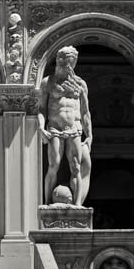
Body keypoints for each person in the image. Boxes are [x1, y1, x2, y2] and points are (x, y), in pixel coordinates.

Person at [38, 45, 93, 206]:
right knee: (53, 165)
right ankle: (47, 203)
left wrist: (89, 135)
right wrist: (41, 127)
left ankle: (77, 206)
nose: (62, 64)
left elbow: (85, 112)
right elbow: (41, 108)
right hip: (55, 128)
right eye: (60, 60)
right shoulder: (48, 82)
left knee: (75, 167)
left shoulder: (80, 84)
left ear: (73, 62)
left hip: (75, 129)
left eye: (67, 61)